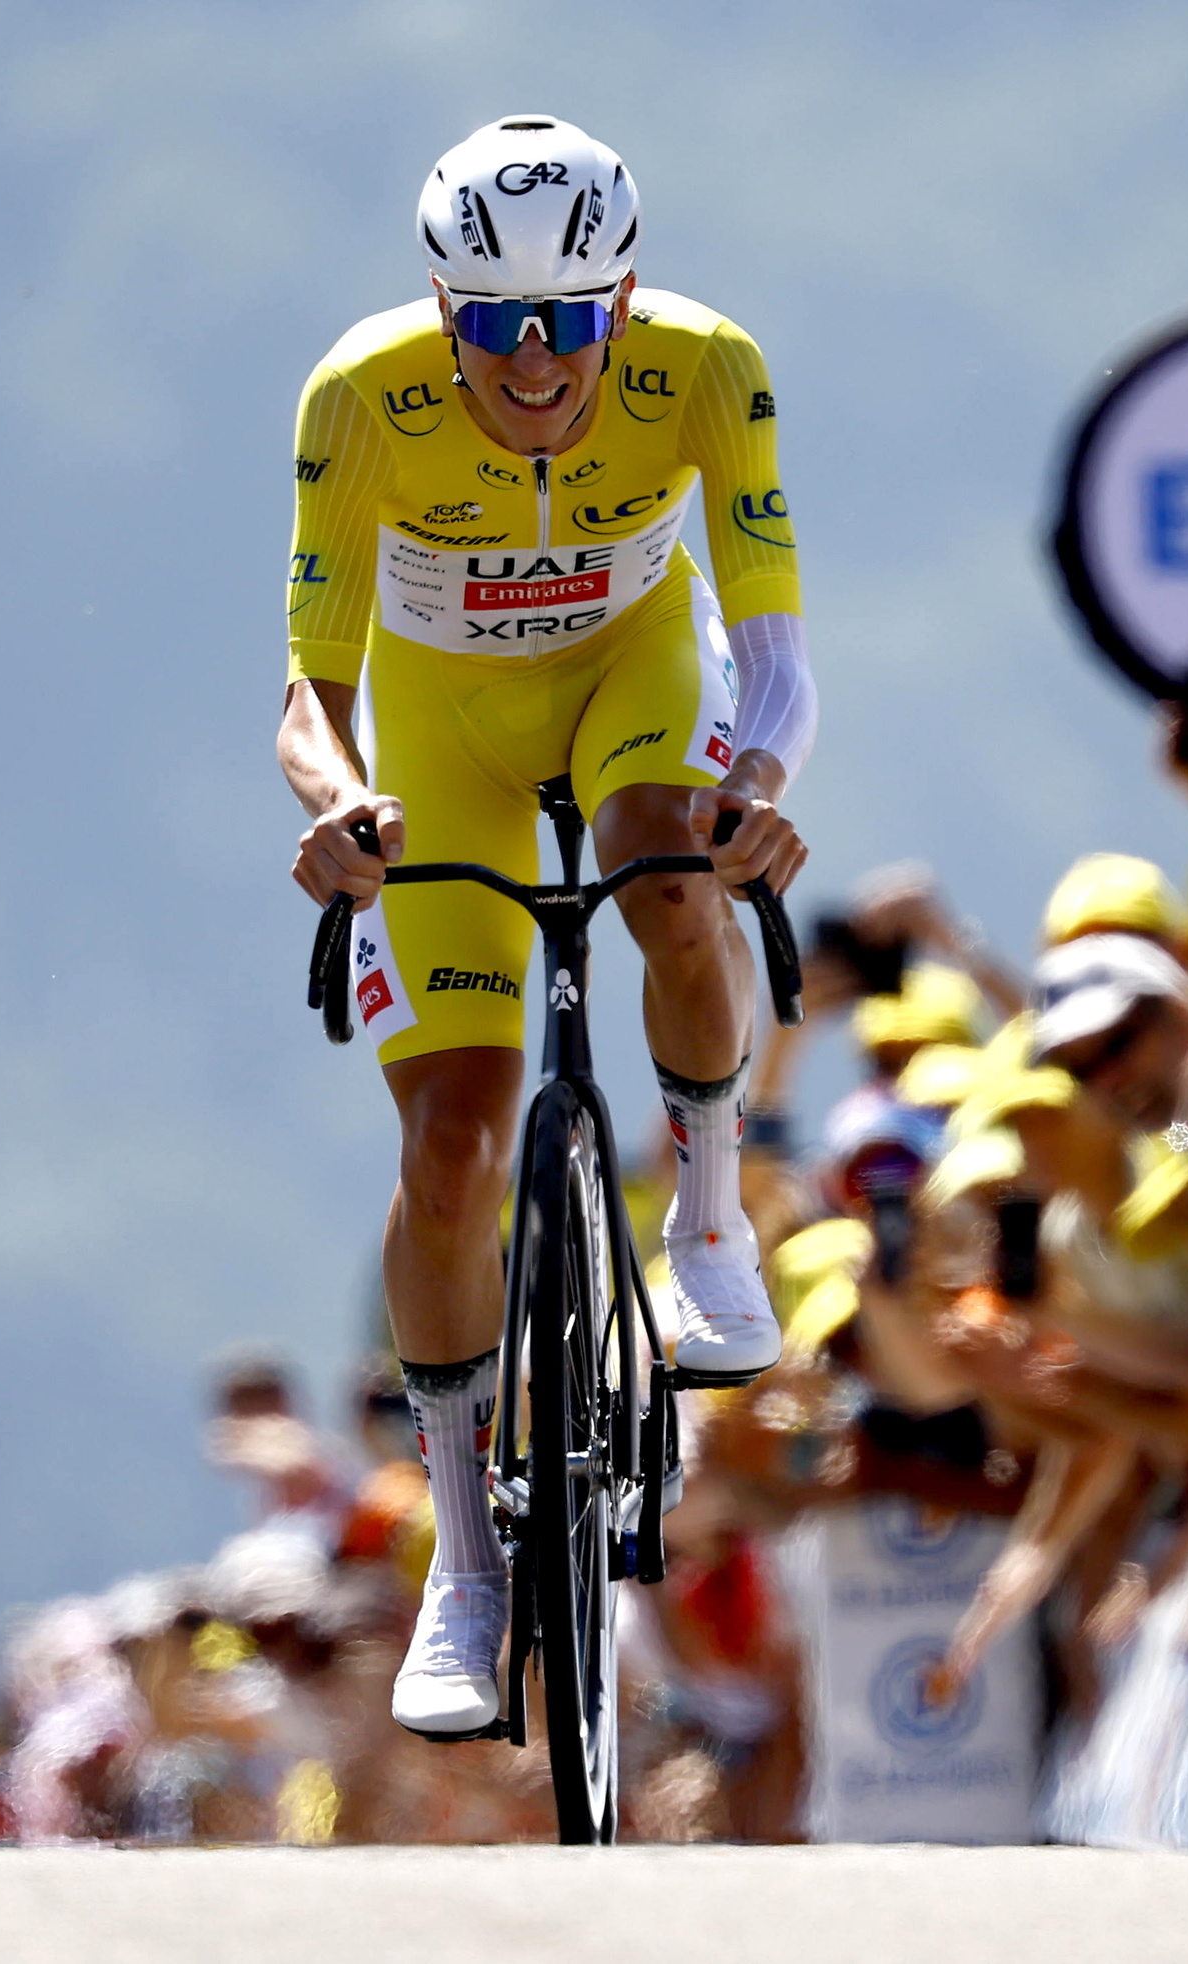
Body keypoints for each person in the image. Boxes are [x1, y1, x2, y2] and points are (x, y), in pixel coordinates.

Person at [276, 117, 816, 1740]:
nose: (532, 359)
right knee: (450, 1145)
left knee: (669, 871)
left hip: (636, 673)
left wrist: (760, 787)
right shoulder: (359, 396)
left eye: (568, 319)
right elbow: (314, 690)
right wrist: (339, 805)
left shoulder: (707, 369)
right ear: (443, 309)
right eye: (495, 321)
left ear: (621, 303)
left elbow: (776, 647)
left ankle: (707, 1224)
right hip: (443, 731)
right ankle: (464, 1562)